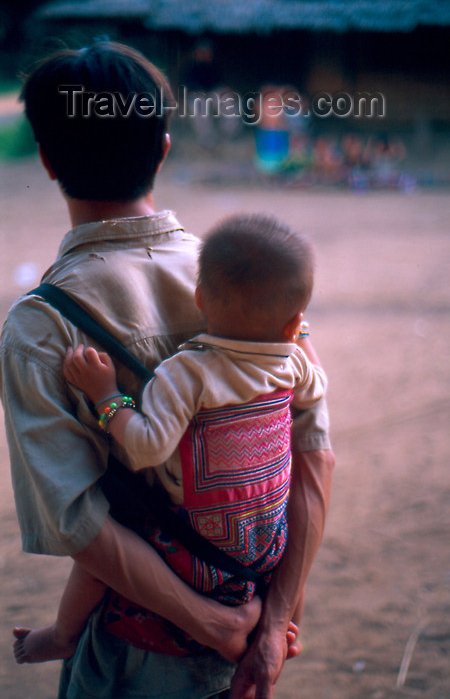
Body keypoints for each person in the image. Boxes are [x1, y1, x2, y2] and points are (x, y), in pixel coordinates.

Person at [0, 40, 334, 699]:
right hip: (252, 627)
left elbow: (77, 523)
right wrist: (272, 626)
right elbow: (314, 453)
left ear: (45, 159)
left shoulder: (41, 328)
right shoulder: (250, 274)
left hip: (134, 653)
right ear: (163, 147)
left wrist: (211, 624)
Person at [13, 214, 327, 665]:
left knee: (105, 531)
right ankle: (282, 628)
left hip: (198, 557)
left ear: (198, 298)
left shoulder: (188, 372)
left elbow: (146, 447)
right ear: (294, 323)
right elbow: (318, 390)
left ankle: (64, 635)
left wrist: (107, 396)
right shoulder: (294, 364)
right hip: (265, 547)